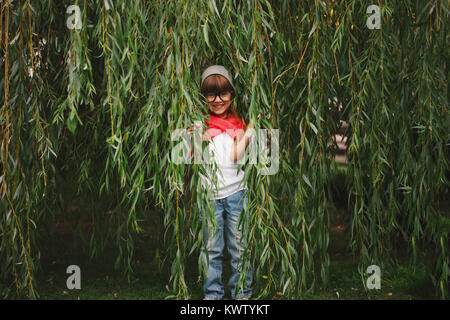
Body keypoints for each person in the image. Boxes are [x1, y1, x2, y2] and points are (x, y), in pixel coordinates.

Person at [188, 65, 254, 300]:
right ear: (203, 96)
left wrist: (251, 131)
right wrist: (195, 135)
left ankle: (241, 292)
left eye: (223, 93)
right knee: (211, 248)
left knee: (239, 246)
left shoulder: (239, 124)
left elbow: (237, 156)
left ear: (232, 94)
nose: (217, 100)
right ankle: (213, 293)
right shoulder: (200, 124)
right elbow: (190, 156)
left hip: (236, 193)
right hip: (208, 195)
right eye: (210, 94)